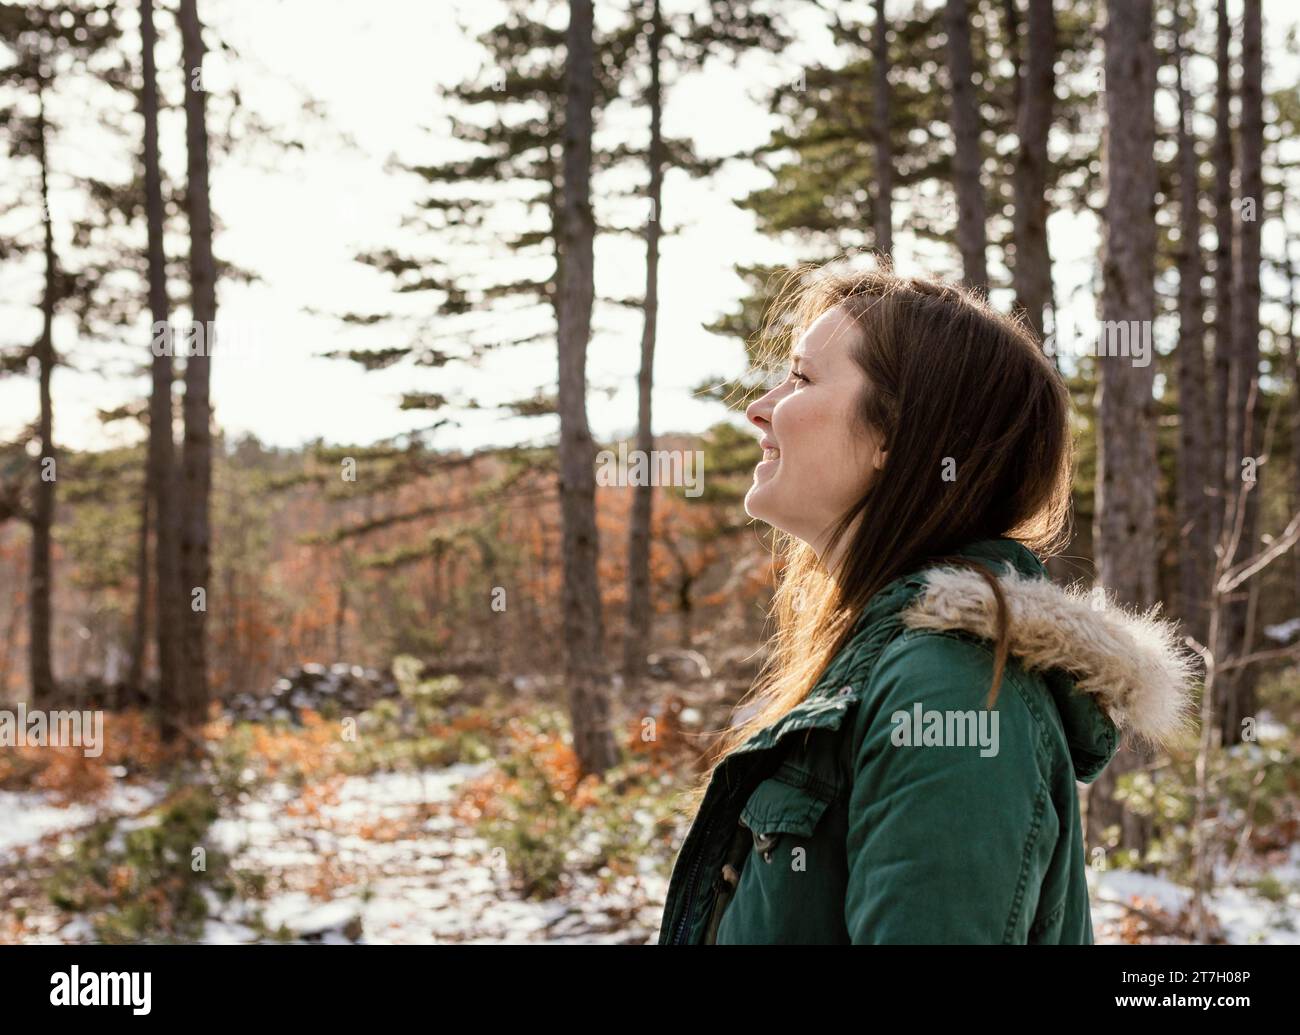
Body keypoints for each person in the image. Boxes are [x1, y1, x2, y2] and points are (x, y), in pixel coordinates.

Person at [657, 265, 1195, 945]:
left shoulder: (951, 687)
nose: (759, 408)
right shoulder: (886, 662)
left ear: (894, 434)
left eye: (801, 378)